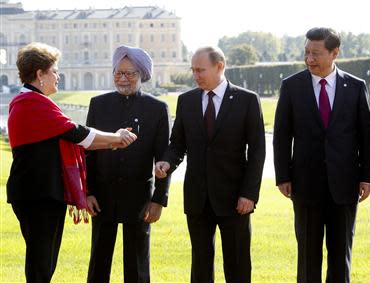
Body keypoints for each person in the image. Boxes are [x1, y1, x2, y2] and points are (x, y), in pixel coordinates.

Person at [6, 42, 137, 283]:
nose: (58, 76)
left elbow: (76, 138)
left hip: (41, 192)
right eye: (54, 71)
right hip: (38, 194)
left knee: (44, 261)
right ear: (40, 74)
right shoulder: (32, 104)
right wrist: (116, 139)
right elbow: (78, 133)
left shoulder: (31, 102)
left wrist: (114, 142)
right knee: (40, 263)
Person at [273, 27, 370, 283]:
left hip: (345, 185)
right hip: (305, 185)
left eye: (316, 53)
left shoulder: (355, 87)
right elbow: (282, 136)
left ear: (335, 53)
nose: (309, 59)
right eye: (306, 52)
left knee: (340, 255)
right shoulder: (291, 86)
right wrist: (282, 175)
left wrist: (366, 177)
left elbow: (366, 136)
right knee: (308, 256)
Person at [155, 46, 265, 283]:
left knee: (237, 265)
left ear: (220, 66)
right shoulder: (187, 101)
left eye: (200, 70)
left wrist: (249, 194)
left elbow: (257, 152)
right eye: (193, 70)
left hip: (236, 199)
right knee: (201, 266)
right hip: (197, 198)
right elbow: (177, 144)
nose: (195, 75)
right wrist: (166, 162)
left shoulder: (247, 100)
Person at [85, 45, 170, 283]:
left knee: (137, 265)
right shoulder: (98, 104)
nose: (123, 79)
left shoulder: (157, 109)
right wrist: (88, 191)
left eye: (130, 73)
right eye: (118, 73)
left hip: (139, 197)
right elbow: (88, 153)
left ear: (142, 74)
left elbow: (163, 159)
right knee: (99, 261)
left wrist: (158, 200)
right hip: (102, 196)